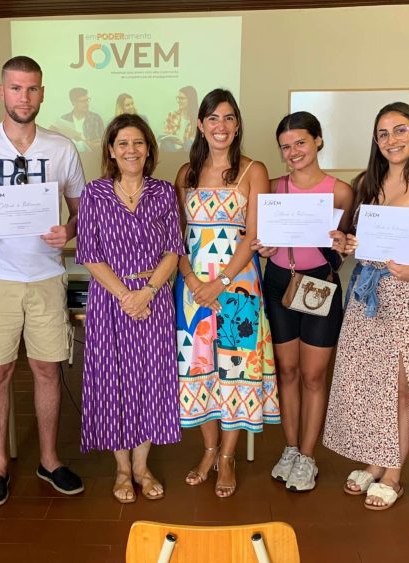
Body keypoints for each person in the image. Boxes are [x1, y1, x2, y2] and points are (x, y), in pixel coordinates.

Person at [0, 56, 86, 507]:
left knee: (47, 370)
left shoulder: (62, 148)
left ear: (42, 92)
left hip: (47, 276)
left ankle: (49, 459)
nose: (23, 97)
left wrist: (69, 231)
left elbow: (82, 213)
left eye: (31, 88)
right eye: (15, 88)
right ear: (2, 91)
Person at [323, 102, 409, 510]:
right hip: (367, 297)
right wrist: (345, 243)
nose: (392, 140)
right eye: (383, 133)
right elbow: (355, 240)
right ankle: (375, 460)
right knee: (370, 383)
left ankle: (394, 474)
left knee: (403, 387)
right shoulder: (367, 183)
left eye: (400, 130)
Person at [175, 89, 279, 498]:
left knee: (236, 370)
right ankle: (208, 451)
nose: (221, 126)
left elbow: (253, 236)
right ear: (200, 125)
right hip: (192, 292)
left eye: (229, 117)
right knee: (199, 368)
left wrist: (218, 283)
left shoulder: (254, 170)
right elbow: (175, 238)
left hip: (237, 288)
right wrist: (192, 280)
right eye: (213, 118)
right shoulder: (185, 173)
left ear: (237, 125)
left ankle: (228, 456)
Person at [75, 114, 183, 504]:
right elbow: (89, 254)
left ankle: (141, 467)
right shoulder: (94, 193)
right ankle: (121, 469)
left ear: (149, 149)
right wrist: (127, 296)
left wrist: (147, 292)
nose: (131, 150)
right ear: (111, 150)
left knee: (151, 380)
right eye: (123, 143)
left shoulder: (164, 192)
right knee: (114, 381)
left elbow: (173, 250)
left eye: (138, 142)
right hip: (111, 301)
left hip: (154, 299)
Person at [250, 112, 353, 492]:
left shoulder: (340, 191)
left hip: (319, 286)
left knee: (313, 376)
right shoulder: (272, 188)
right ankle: (290, 448)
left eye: (300, 143)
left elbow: (343, 248)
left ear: (318, 140)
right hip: (280, 282)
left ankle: (308, 456)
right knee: (287, 371)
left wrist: (342, 245)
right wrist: (263, 248)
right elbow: (260, 238)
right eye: (285, 146)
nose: (293, 152)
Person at [51, 87, 104, 152]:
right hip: (69, 154)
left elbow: (102, 143)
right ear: (73, 103)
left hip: (89, 155)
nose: (86, 104)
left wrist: (90, 144)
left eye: (87, 100)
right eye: (82, 101)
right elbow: (59, 143)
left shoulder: (95, 119)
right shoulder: (64, 119)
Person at [159, 86, 197, 151]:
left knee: (188, 143)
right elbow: (167, 134)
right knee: (166, 142)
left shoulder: (196, 119)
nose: (179, 101)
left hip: (185, 148)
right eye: (178, 98)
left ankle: (183, 156)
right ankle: (175, 156)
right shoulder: (172, 115)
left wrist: (182, 143)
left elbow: (195, 140)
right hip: (171, 147)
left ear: (190, 100)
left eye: (182, 98)